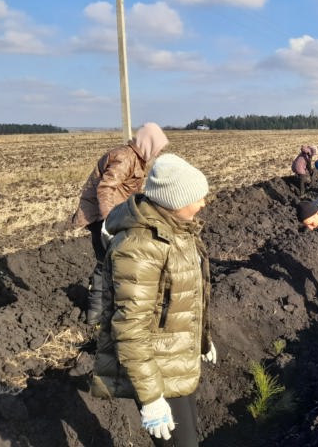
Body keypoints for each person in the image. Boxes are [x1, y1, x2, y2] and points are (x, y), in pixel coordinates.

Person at [90, 153, 215, 447]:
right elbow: (130, 328)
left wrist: (201, 339)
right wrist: (151, 397)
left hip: (178, 359)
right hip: (156, 370)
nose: (203, 204)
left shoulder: (179, 231)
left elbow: (184, 297)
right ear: (174, 201)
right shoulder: (139, 246)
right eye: (197, 198)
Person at [71, 122, 169, 325]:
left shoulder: (135, 158)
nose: (157, 153)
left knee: (114, 260)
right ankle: (96, 313)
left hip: (113, 214)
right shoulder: (125, 158)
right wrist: (109, 220)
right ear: (148, 143)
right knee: (106, 261)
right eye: (157, 148)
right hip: (101, 216)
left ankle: (109, 307)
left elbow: (128, 191)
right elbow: (106, 188)